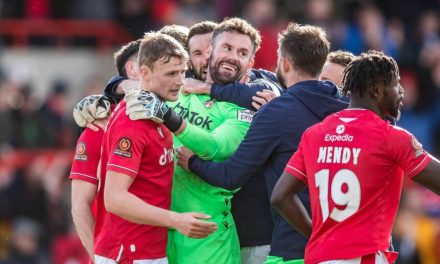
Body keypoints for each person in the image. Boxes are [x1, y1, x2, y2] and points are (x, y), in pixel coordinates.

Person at [175, 22, 348, 264]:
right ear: (209, 51)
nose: (233, 57)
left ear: (282, 63)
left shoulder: (273, 103)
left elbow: (230, 175)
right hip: (337, 242)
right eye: (226, 47)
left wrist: (190, 160)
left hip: (270, 242)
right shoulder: (344, 111)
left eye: (243, 53)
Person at [271, 50, 440, 264]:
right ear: (376, 90)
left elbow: (280, 196)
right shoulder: (391, 137)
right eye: (396, 85)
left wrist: (318, 236)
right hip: (364, 257)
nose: (401, 92)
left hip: (319, 258)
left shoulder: (315, 133)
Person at [93, 32, 217, 264]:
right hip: (127, 252)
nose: (180, 81)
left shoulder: (158, 112)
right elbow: (114, 198)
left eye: (181, 72)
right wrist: (177, 220)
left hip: (148, 249)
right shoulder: (133, 120)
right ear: (144, 73)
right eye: (170, 73)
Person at [69, 39, 141, 259]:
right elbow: (80, 205)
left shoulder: (173, 120)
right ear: (134, 70)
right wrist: (99, 259)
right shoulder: (99, 124)